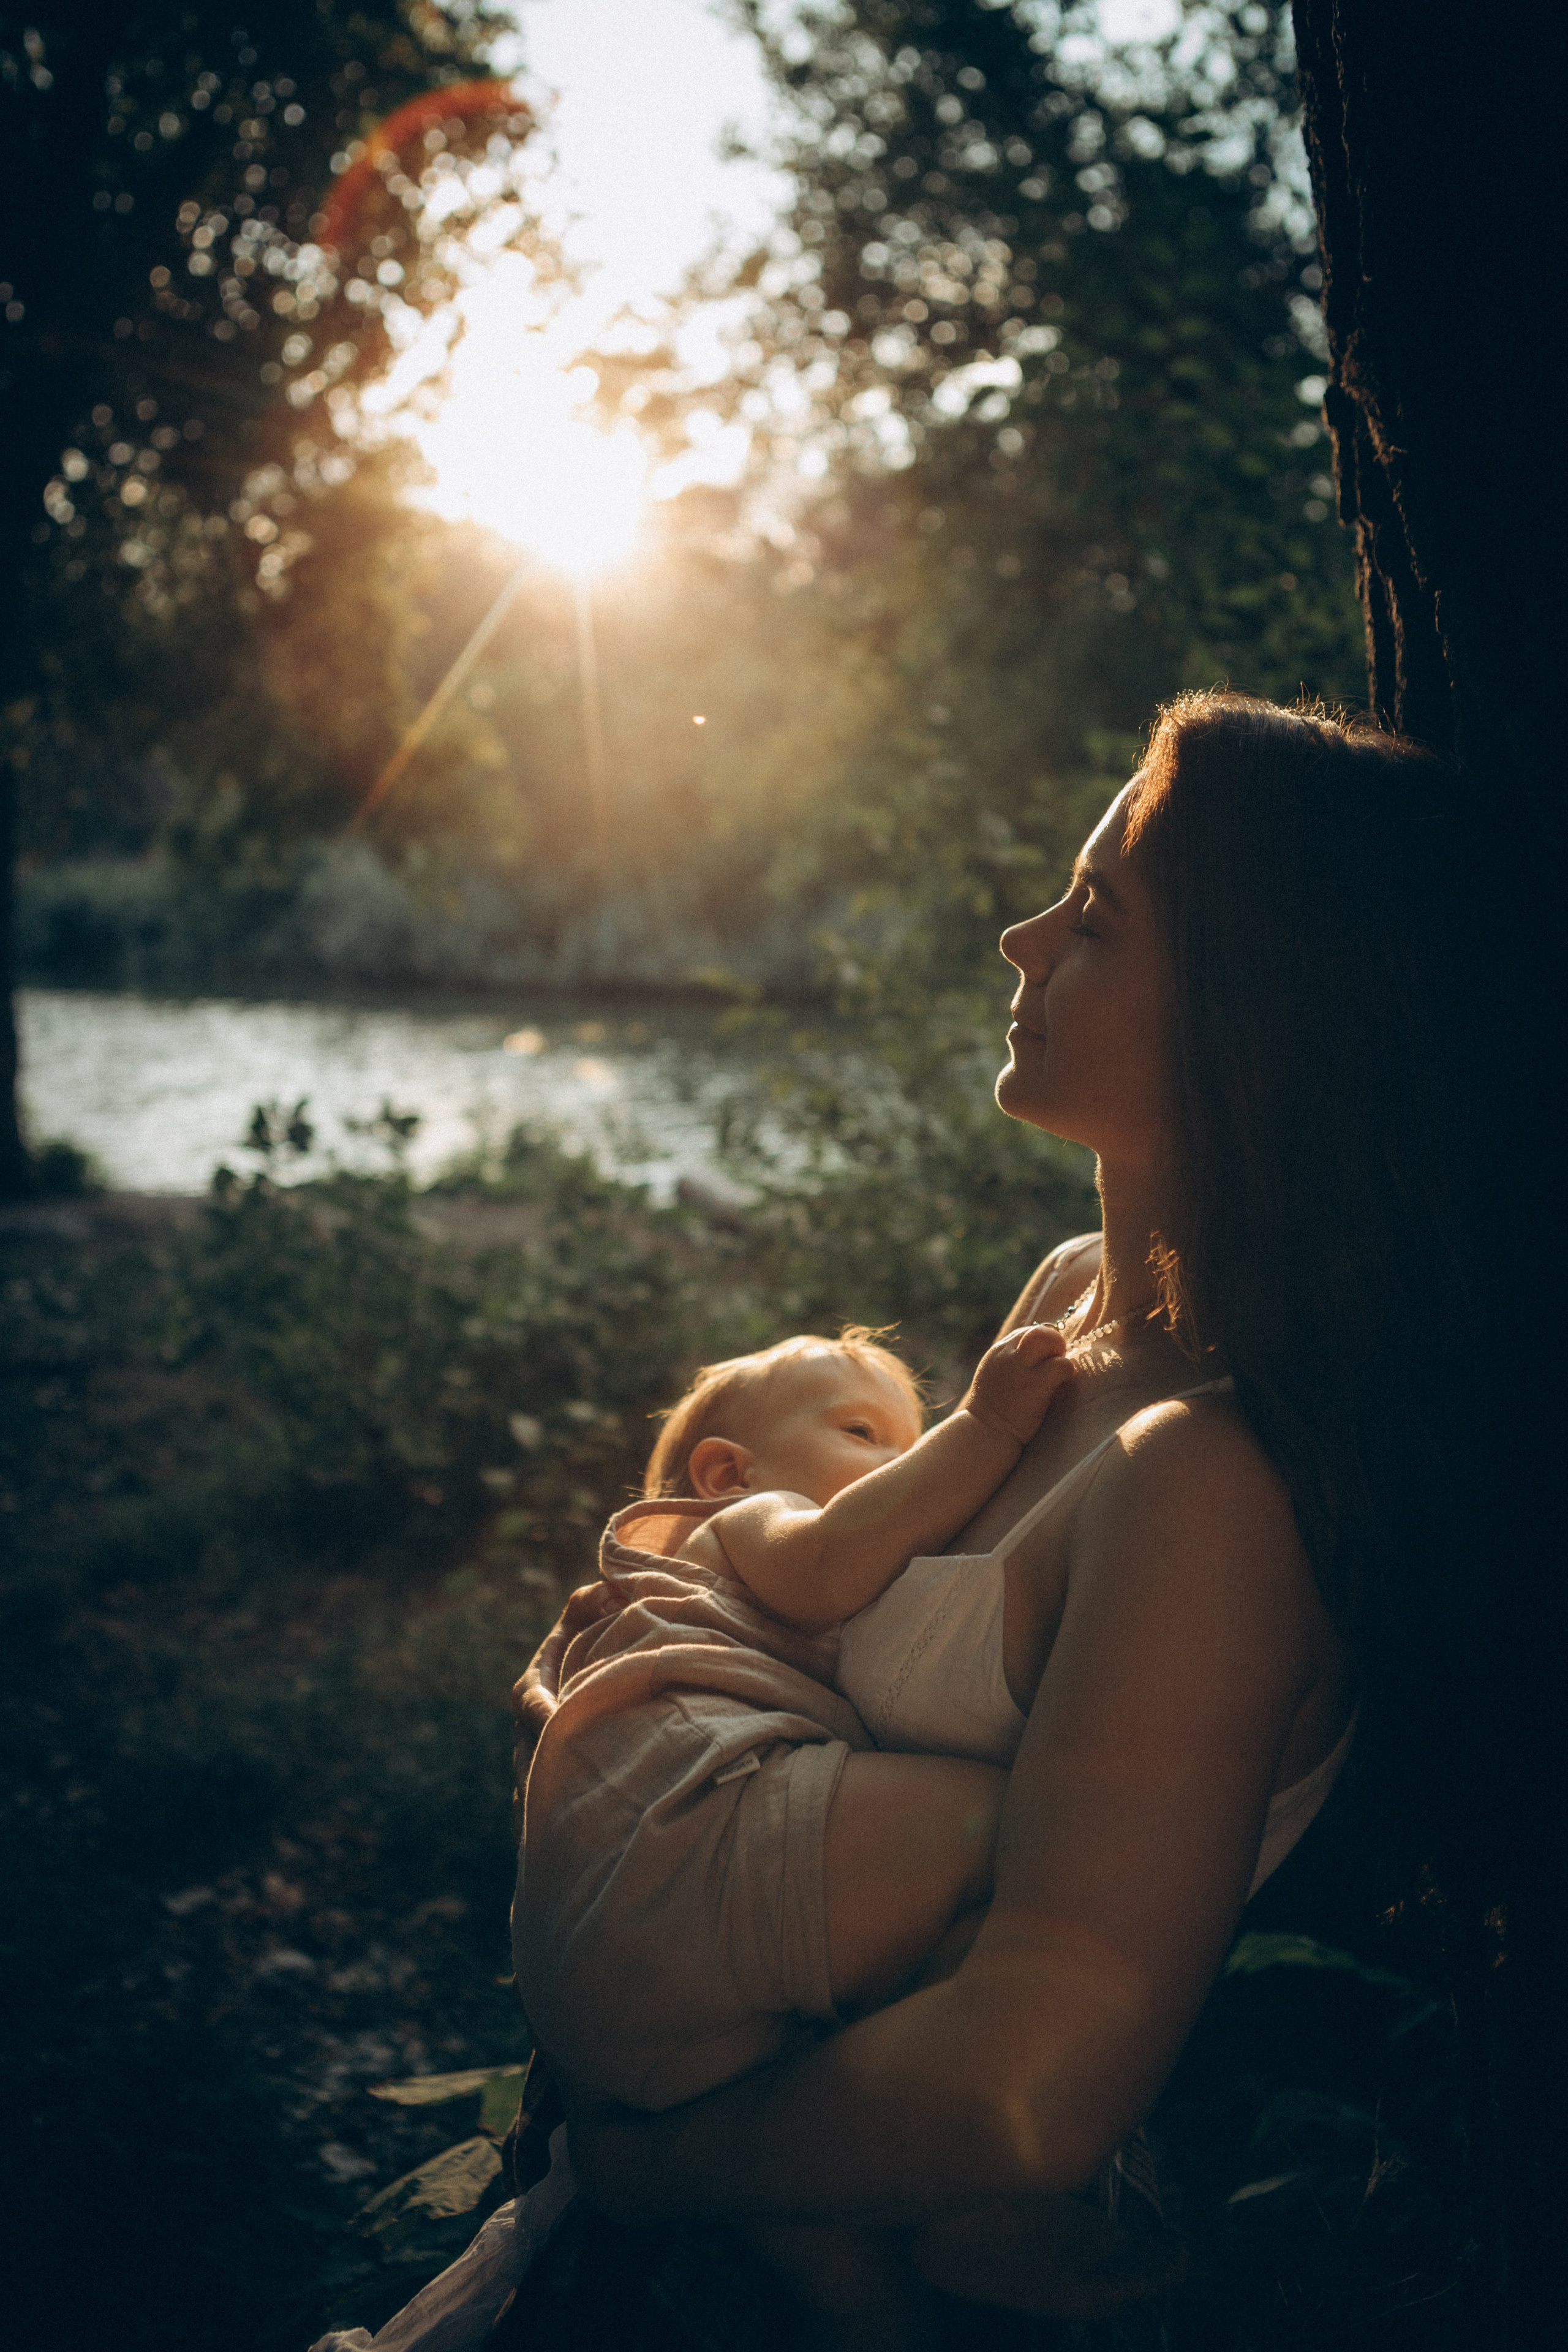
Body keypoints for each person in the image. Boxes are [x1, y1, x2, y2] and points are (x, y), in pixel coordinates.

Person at [500, 692, 1469, 2347]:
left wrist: (653, 2167)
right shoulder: (1071, 1302)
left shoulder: (1213, 1493)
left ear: (1256, 1020)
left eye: (1093, 918)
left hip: (864, 2244)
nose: (1023, 941)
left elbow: (1028, 2084)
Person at [513, 1321, 1076, 2120]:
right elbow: (827, 1563)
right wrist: (986, 1427)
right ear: (728, 1472)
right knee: (1017, 1825)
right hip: (693, 1841)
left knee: (791, 2163)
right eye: (862, 1433)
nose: (907, 1465)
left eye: (914, 1443)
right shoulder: (751, 1520)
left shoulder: (723, 1578)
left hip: (636, 1982)